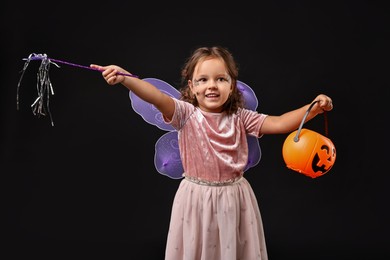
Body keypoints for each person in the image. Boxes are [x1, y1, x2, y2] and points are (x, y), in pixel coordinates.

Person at [90, 46, 333, 260]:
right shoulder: (184, 114)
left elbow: (280, 123)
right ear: (192, 87)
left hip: (234, 197)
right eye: (203, 80)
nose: (211, 86)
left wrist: (312, 109)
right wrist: (125, 78)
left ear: (232, 85)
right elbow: (155, 96)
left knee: (231, 250)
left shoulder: (241, 117)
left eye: (220, 79)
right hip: (196, 197)